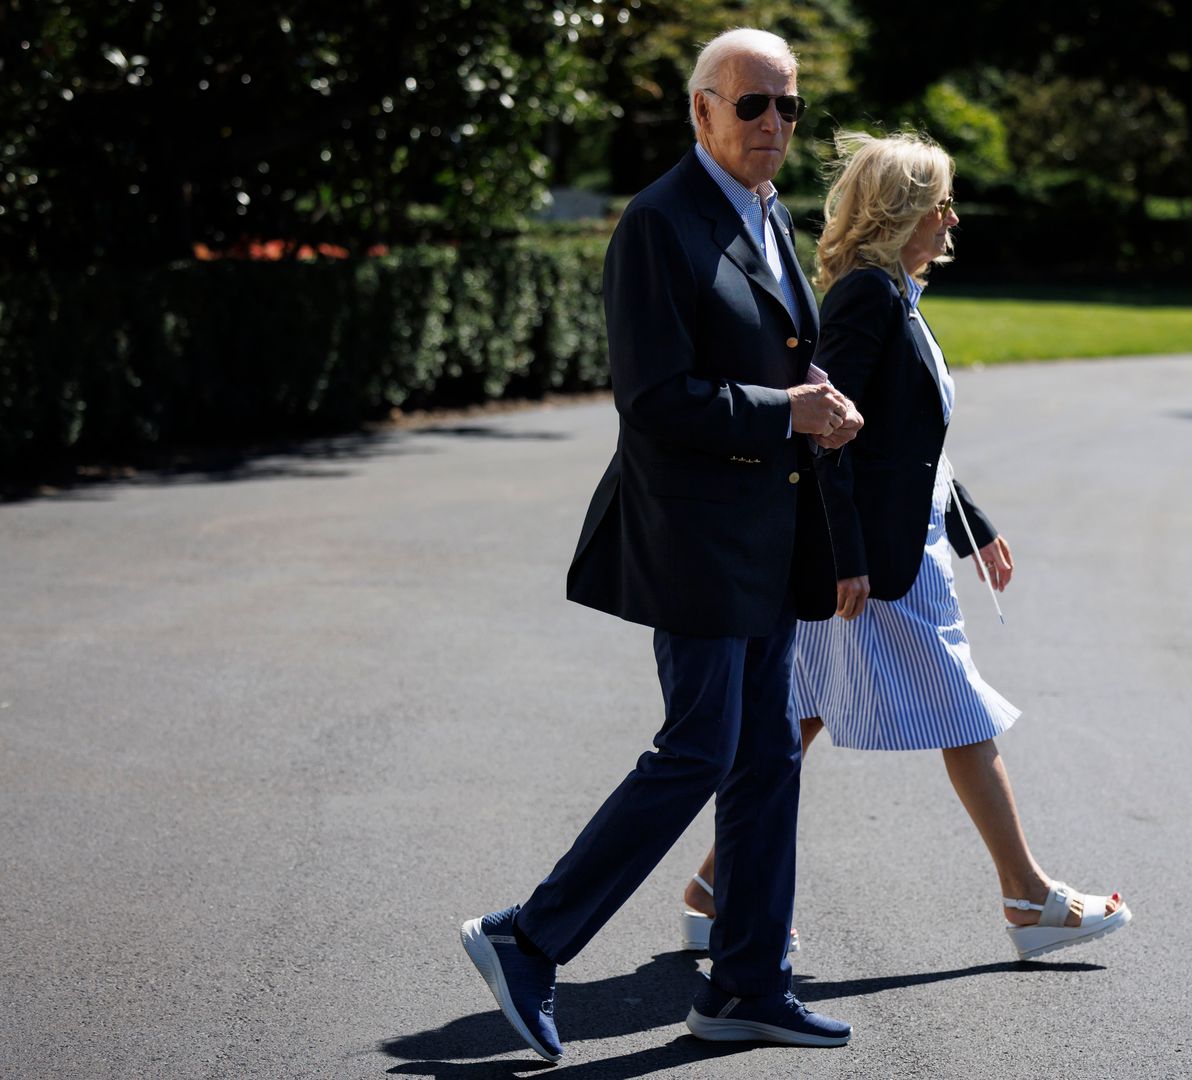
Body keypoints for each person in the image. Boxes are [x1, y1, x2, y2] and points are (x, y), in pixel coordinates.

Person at [456, 29, 864, 1064]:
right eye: (751, 105)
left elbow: (778, 361)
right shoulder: (657, 222)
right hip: (692, 540)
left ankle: (747, 985)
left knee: (767, 756)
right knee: (700, 750)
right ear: (701, 111)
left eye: (789, 107)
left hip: (767, 543)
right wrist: (789, 412)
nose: (773, 124)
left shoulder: (768, 214)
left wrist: (816, 414)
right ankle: (528, 937)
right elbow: (651, 400)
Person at [677, 131, 1132, 963]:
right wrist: (846, 553)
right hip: (876, 560)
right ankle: (1028, 899)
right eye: (939, 203)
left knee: (800, 707)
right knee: (961, 710)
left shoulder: (894, 294)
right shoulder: (868, 299)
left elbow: (907, 445)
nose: (953, 218)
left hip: (892, 541)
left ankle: (714, 892)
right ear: (900, 213)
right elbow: (830, 432)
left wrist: (974, 525)